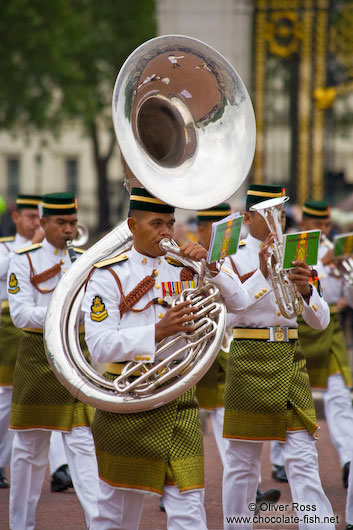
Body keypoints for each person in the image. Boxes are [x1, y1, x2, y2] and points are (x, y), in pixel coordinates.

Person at [82, 187, 265, 530]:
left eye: (170, 223)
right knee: (116, 513)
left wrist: (211, 267)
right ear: (132, 226)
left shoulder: (186, 267)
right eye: (156, 224)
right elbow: (100, 346)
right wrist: (157, 331)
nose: (166, 232)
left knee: (189, 511)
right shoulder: (109, 275)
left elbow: (239, 303)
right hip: (130, 399)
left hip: (179, 398)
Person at [223, 184, 335, 530]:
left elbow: (321, 320)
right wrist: (261, 272)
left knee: (303, 456)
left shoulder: (298, 252)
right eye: (269, 212)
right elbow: (226, 316)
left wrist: (306, 290)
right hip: (248, 357)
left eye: (281, 211)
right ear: (247, 217)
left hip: (289, 356)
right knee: (242, 461)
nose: (278, 218)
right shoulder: (232, 258)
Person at [8, 192, 99, 530]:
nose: (69, 229)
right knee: (28, 450)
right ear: (44, 223)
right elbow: (20, 315)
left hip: (75, 357)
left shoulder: (86, 259)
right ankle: (21, 525)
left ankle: (99, 523)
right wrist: (66, 313)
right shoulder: (24, 259)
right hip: (38, 357)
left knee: (83, 444)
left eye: (73, 222)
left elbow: (96, 309)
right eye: (61, 222)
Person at [195, 202, 281, 508]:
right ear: (202, 230)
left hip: (225, 352)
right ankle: (173, 488)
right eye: (218, 228)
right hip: (195, 352)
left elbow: (233, 310)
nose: (226, 235)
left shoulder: (228, 260)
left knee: (225, 425)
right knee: (184, 418)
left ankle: (252, 491)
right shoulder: (190, 261)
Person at [298, 199, 353, 489]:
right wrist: (326, 263)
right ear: (305, 224)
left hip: (328, 327)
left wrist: (348, 273)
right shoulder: (293, 246)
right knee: (290, 397)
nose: (323, 229)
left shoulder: (336, 251)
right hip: (298, 324)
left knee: (340, 396)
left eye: (326, 225)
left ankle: (348, 458)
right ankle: (282, 462)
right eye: (317, 224)